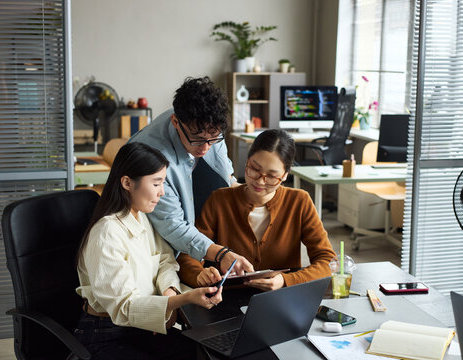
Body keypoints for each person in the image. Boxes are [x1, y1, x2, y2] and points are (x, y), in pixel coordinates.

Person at [74, 142, 223, 359]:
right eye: (156, 183)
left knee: (200, 352)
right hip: (105, 333)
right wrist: (181, 300)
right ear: (127, 182)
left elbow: (165, 260)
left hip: (139, 327)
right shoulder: (107, 232)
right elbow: (124, 308)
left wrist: (169, 292)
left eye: (163, 183)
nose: (162, 192)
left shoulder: (141, 216)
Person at [177, 129, 336, 291]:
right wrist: (200, 274)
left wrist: (285, 280)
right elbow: (188, 255)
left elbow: (328, 262)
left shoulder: (299, 201)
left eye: (272, 176)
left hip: (283, 298)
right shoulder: (219, 200)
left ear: (286, 175)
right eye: (254, 169)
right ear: (247, 161)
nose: (260, 181)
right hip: (228, 299)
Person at [129, 76, 254, 275]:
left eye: (213, 139)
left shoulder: (209, 124)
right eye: (197, 139)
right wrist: (220, 254)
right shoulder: (151, 157)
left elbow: (225, 174)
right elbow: (173, 226)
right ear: (176, 122)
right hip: (162, 240)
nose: (205, 147)